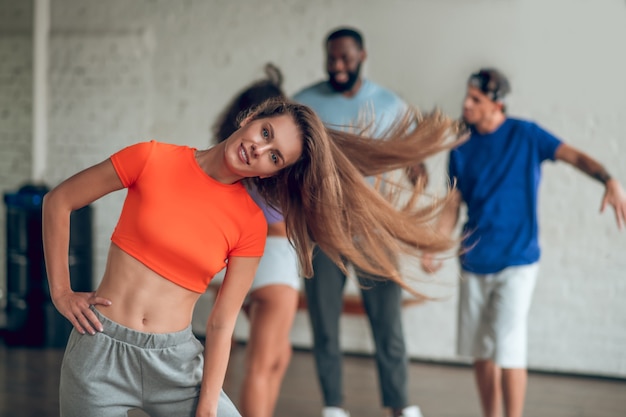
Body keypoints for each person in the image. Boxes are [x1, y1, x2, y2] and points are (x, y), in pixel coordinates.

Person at [42, 92, 464, 416]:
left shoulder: (249, 223)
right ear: (251, 118)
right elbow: (58, 201)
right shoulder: (151, 157)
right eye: (265, 134)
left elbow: (223, 321)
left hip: (175, 364)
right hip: (99, 348)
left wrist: (208, 402)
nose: (258, 150)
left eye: (274, 156)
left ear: (273, 173)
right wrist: (61, 292)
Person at [421, 68, 626, 417]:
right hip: (474, 259)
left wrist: (609, 179)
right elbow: (453, 204)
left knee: (509, 347)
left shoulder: (526, 135)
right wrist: (436, 244)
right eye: (467, 96)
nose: (466, 104)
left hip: (518, 260)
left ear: (497, 104)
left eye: (476, 99)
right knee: (481, 351)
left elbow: (574, 156)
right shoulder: (461, 145)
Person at [293, 27, 427, 417]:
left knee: (388, 324)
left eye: (345, 59)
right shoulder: (304, 104)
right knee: (324, 325)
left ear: (362, 56)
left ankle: (400, 404)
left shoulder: (391, 105)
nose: (336, 66)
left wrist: (417, 180)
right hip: (322, 231)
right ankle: (333, 405)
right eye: (331, 58)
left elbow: (415, 164)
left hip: (374, 231)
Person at [212, 63, 300, 417]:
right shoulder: (266, 170)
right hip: (274, 262)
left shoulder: (233, 161)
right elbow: (279, 225)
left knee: (280, 355)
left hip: (250, 265)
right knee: (261, 367)